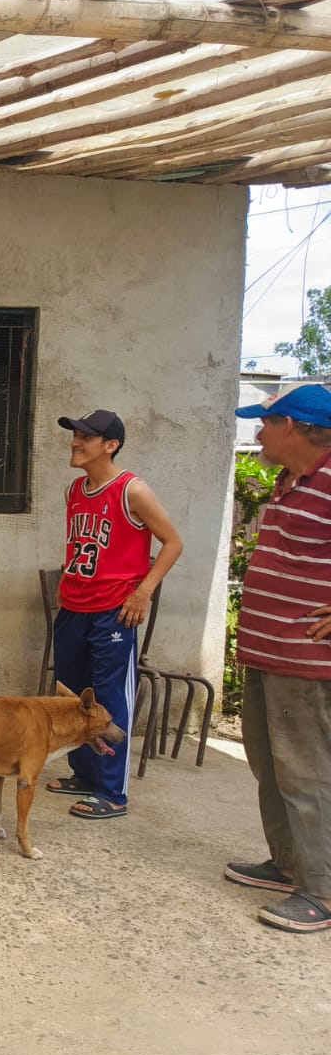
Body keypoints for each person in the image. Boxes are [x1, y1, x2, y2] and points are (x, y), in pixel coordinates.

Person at [228, 384, 331, 934]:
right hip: (267, 651)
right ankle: (287, 864)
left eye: (265, 423)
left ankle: (322, 891)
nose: (258, 433)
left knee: (305, 774)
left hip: (304, 658)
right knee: (269, 764)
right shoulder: (290, 481)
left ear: (291, 424)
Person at [46, 410, 182, 820]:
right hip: (74, 606)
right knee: (74, 696)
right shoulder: (75, 490)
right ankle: (83, 773)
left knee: (109, 697)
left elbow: (173, 543)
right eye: (75, 434)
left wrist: (144, 591)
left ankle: (112, 791)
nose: (75, 441)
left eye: (86, 436)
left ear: (110, 445)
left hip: (113, 613)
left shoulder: (131, 490)